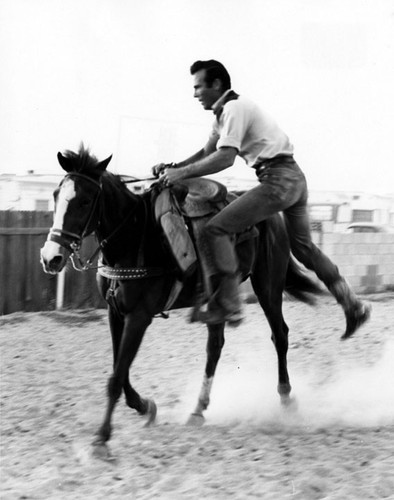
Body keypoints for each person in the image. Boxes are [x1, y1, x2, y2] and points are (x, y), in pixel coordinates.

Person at [152, 59, 371, 338]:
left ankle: (230, 304)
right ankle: (353, 305)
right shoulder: (223, 114)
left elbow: (225, 157)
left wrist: (180, 173)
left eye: (198, 87)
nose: (195, 94)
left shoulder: (233, 108)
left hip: (278, 180)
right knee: (304, 250)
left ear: (216, 84)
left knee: (215, 229)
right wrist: (173, 168)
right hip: (293, 178)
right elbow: (207, 152)